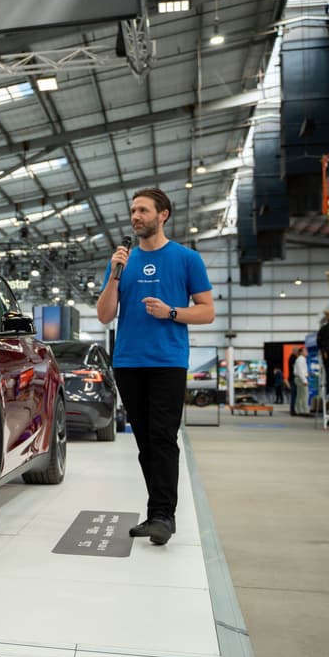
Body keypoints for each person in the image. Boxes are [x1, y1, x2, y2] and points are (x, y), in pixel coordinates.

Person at [96, 188, 214, 547]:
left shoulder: (186, 259)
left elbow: (207, 311)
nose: (136, 216)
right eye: (133, 210)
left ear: (163, 215)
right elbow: (104, 315)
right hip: (129, 362)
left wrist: (172, 312)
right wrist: (115, 274)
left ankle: (163, 515)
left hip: (167, 362)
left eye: (143, 210)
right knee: (146, 442)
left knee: (163, 438)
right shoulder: (121, 262)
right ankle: (157, 513)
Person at [293, 347, 310, 416]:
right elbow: (300, 372)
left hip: (300, 378)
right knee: (304, 395)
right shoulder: (300, 360)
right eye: (305, 351)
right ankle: (305, 411)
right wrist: (304, 380)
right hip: (301, 379)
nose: (307, 352)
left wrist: (306, 374)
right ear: (301, 352)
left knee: (300, 396)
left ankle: (299, 410)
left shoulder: (301, 359)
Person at [288, 349, 300, 415]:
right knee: (294, 395)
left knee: (294, 395)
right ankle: (292, 410)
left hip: (291, 378)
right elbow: (295, 368)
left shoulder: (291, 357)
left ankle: (293, 410)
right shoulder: (293, 358)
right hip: (293, 378)